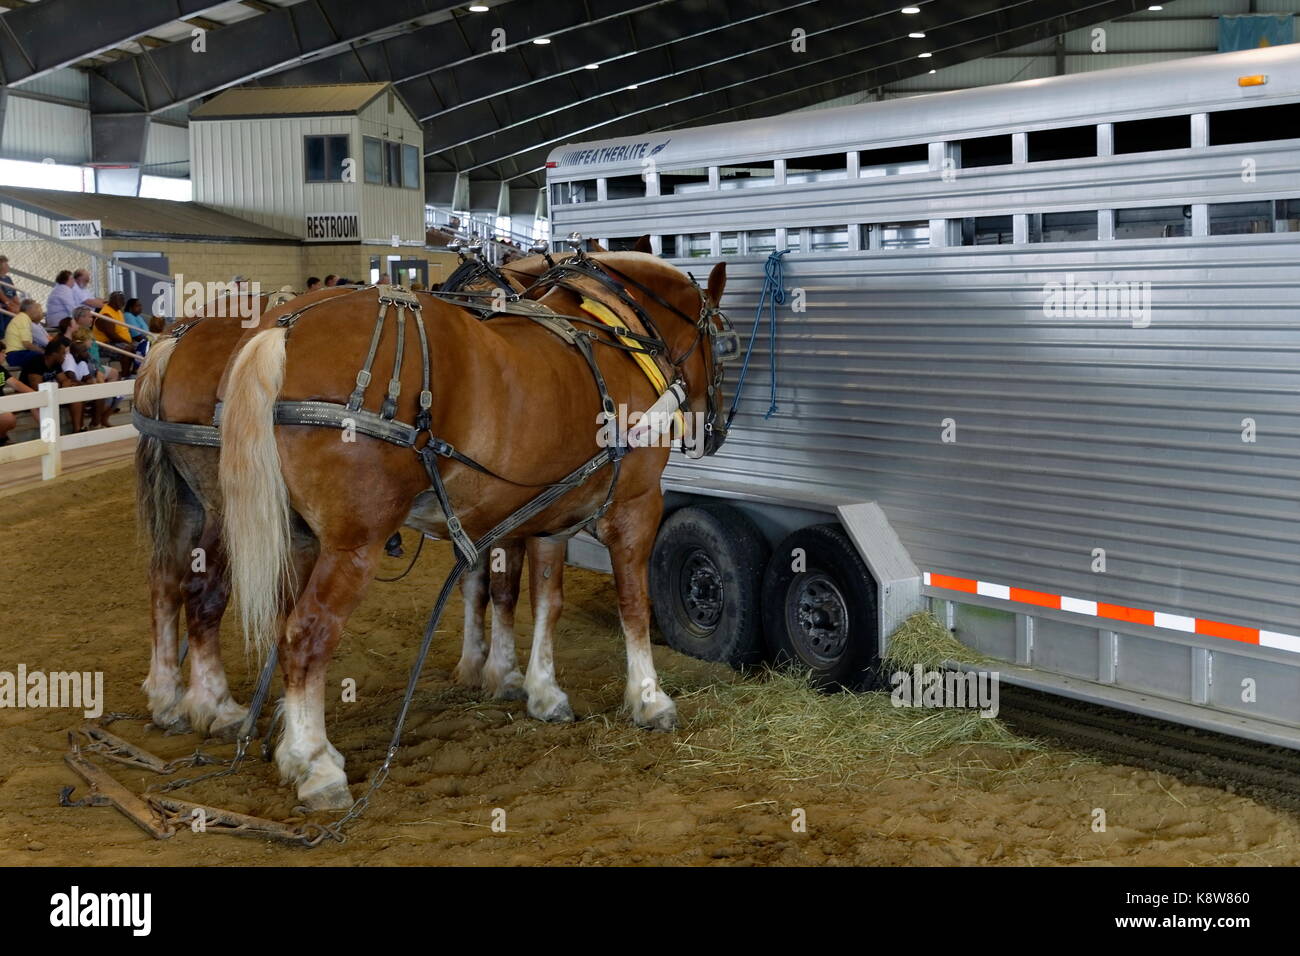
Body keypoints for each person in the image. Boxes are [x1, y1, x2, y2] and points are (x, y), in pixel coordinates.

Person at [3, 299, 49, 367]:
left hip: (17, 354)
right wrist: (43, 352)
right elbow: (27, 344)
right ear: (30, 310)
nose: (39, 312)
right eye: (36, 308)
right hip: (14, 355)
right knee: (42, 357)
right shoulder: (23, 319)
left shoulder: (23, 318)